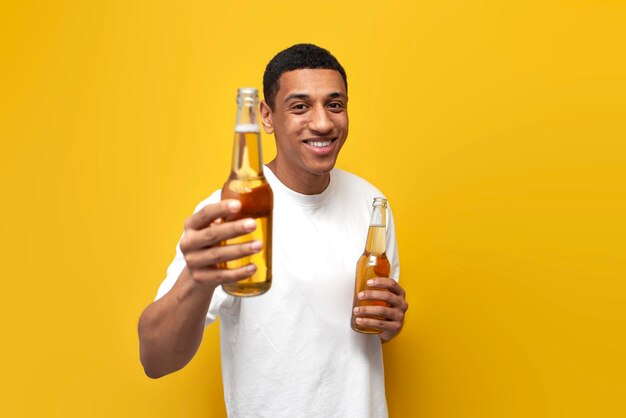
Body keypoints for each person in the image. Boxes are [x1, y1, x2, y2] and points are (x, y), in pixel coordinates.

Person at [138, 43, 409, 417]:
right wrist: (196, 280)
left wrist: (390, 321)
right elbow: (155, 358)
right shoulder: (232, 212)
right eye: (300, 106)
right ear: (266, 116)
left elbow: (371, 325)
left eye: (335, 104)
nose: (323, 123)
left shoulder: (372, 204)